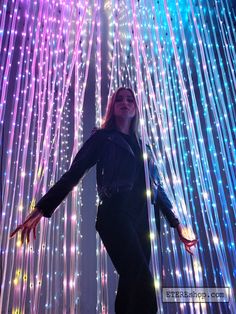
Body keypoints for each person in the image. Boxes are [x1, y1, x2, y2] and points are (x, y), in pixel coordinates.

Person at [10, 87, 198, 314]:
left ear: (136, 108)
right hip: (115, 214)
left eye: (130, 99)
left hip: (144, 221)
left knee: (131, 285)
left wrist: (177, 223)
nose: (125, 102)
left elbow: (156, 188)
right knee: (143, 285)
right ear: (112, 107)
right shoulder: (102, 138)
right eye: (119, 99)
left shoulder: (144, 146)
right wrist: (42, 207)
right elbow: (73, 174)